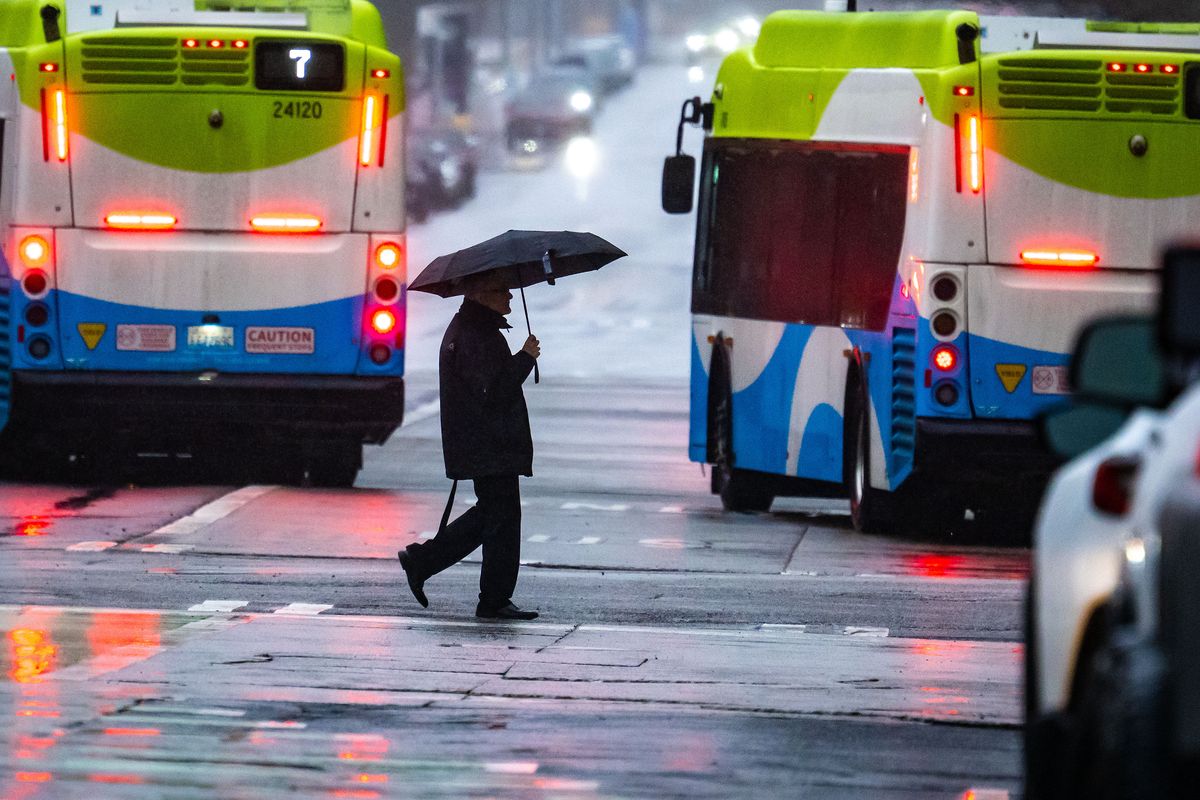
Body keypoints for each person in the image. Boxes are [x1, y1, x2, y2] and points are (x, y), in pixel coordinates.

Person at [398, 270, 542, 620]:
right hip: (488, 443)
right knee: (499, 517)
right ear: (480, 295)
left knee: (495, 517)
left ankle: (442, 571)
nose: (509, 296)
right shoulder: (474, 335)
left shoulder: (478, 330)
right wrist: (525, 357)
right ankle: (482, 594)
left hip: (488, 443)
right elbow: (492, 393)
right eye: (501, 290)